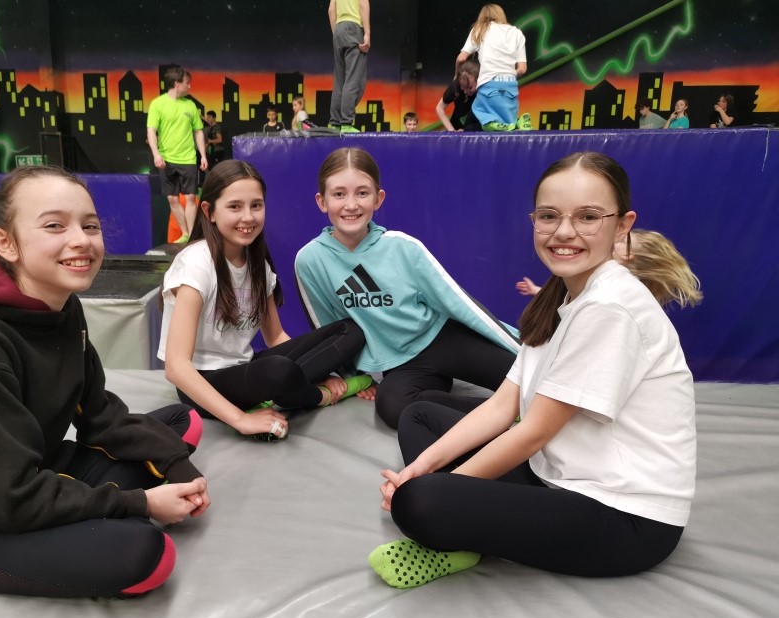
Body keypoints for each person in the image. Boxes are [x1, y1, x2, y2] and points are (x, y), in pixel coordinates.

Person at [370, 151, 696, 588]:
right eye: (549, 216)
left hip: (627, 517)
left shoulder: (611, 306)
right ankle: (467, 523)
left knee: (420, 502)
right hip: (556, 476)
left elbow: (533, 431)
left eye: (588, 217)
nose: (564, 231)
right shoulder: (561, 296)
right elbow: (502, 407)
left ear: (622, 226)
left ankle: (461, 534)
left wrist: (446, 492)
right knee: (420, 416)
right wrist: (421, 469)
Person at [0, 166, 210, 599]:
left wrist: (179, 469)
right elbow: (7, 496)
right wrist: (141, 503)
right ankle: (108, 520)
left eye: (89, 226)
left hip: (34, 471)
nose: (81, 240)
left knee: (179, 425)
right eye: (55, 226)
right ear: (7, 243)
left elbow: (100, 415)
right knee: (147, 555)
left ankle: (103, 513)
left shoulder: (61, 308)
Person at [295, 147, 520, 430]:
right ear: (322, 201)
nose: (351, 205)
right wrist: (354, 377)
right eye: (339, 194)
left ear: (378, 199)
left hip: (443, 339)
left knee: (529, 380)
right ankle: (502, 413)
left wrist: (519, 348)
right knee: (394, 407)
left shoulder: (403, 247)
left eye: (362, 193)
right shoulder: (310, 260)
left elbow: (460, 304)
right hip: (404, 366)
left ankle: (512, 396)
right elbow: (328, 326)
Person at [158, 159, 372, 441]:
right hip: (203, 379)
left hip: (245, 370)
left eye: (256, 205)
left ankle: (293, 388)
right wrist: (241, 420)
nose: (248, 217)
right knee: (277, 372)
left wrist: (321, 371)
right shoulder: (196, 265)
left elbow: (276, 337)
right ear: (209, 212)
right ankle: (318, 397)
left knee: (350, 330)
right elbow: (176, 367)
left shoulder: (257, 264)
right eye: (235, 207)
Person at [516, 229, 703, 308]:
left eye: (621, 240)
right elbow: (573, 300)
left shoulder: (616, 291)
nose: (613, 239)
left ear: (627, 255)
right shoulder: (603, 282)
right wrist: (536, 290)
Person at [147, 65, 208, 245]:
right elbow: (151, 131)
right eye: (187, 83)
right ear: (176, 83)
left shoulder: (190, 105)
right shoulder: (157, 104)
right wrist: (156, 154)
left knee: (190, 198)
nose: (189, 87)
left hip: (188, 159)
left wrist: (203, 155)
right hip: (166, 159)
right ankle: (185, 233)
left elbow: (198, 131)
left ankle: (192, 237)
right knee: (172, 198)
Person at [455, 4, 528, 132]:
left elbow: (461, 58)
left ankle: (504, 123)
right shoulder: (517, 33)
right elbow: (522, 69)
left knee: (470, 124)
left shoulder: (480, 30)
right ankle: (518, 122)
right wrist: (506, 75)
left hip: (489, 87)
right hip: (510, 88)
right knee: (506, 126)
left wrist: (456, 76)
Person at [328, 0, 370, 132]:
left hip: (338, 28)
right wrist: (367, 33)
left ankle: (335, 124)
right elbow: (363, 4)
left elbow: (331, 10)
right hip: (353, 27)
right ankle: (346, 123)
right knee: (353, 78)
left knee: (339, 80)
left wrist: (336, 33)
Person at [436, 59, 481, 132]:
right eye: (463, 87)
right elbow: (439, 108)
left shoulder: (485, 92)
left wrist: (466, 131)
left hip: (475, 131)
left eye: (470, 88)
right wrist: (452, 131)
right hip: (456, 127)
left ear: (479, 81)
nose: (466, 91)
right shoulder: (456, 87)